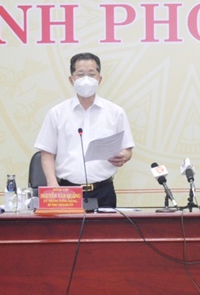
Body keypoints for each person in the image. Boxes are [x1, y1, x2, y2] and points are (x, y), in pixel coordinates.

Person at [34, 52, 134, 208]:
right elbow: (47, 153)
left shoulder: (116, 112)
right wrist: (53, 185)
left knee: (104, 233)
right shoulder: (57, 113)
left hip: (104, 191)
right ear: (71, 80)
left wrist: (123, 156)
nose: (86, 79)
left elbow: (127, 149)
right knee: (68, 233)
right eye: (80, 74)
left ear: (99, 79)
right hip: (67, 190)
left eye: (91, 74)